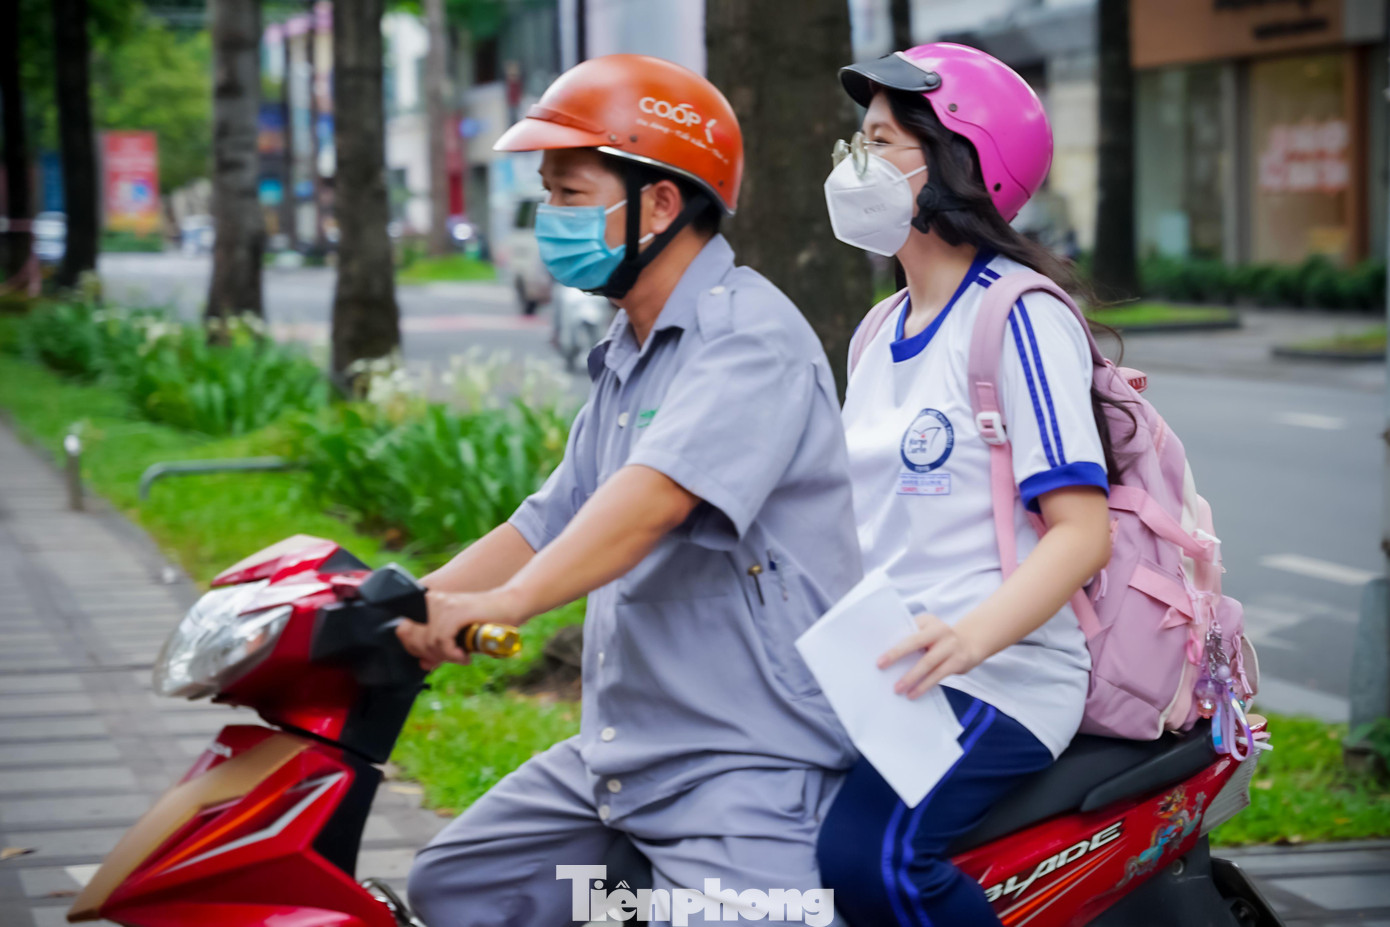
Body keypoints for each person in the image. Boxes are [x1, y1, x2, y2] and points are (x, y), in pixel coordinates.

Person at [400, 54, 859, 927]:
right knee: (459, 886)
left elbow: (651, 501)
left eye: (571, 194)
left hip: (744, 762)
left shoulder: (748, 340)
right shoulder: (630, 351)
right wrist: (402, 604)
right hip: (620, 760)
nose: (551, 217)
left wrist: (506, 604)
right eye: (548, 194)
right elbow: (550, 519)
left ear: (659, 203)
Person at [817, 43, 1115, 926]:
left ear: (958, 163)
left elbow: (1081, 531)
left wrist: (970, 637)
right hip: (889, 672)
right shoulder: (877, 331)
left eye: (880, 142)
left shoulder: (1017, 316)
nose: (856, 163)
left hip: (1003, 674)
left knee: (872, 857)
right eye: (857, 142)